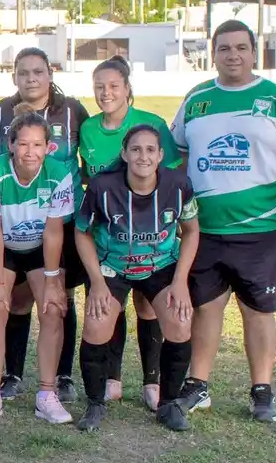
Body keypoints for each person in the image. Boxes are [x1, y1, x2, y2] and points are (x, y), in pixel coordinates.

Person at [170, 19, 276, 424]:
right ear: (213, 54)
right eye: (224, 48)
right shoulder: (196, 100)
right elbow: (177, 154)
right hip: (205, 230)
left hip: (261, 229)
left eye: (241, 47)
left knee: (258, 311)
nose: (233, 55)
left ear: (255, 52)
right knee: (206, 308)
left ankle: (262, 391)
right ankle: (198, 386)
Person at [75, 124, 199, 432]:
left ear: (160, 155)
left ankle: (168, 404)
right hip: (112, 267)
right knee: (96, 321)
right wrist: (97, 283)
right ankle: (94, 403)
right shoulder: (102, 188)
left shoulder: (179, 185)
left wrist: (181, 281)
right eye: (135, 149)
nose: (142, 156)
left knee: (180, 321)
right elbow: (82, 234)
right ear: (124, 153)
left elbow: (193, 231)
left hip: (160, 265)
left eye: (149, 150)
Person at [0, 49, 93, 405]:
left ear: (50, 74)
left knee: (60, 298)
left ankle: (62, 376)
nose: (31, 79)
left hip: (60, 220)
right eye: (23, 73)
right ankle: (13, 373)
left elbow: (88, 160)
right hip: (17, 219)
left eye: (38, 71)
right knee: (16, 299)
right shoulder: (2, 110)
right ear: (14, 77)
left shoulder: (72, 109)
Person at [78, 56, 183, 410]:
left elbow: (169, 178)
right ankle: (112, 378)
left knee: (148, 306)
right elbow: (87, 175)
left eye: (113, 86)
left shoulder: (150, 125)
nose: (106, 93)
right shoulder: (88, 129)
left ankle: (153, 381)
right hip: (109, 234)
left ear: (127, 89)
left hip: (152, 240)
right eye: (99, 87)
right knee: (111, 308)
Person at [0, 104, 76, 424]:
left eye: (37, 144)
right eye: (23, 143)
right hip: (2, 246)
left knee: (52, 308)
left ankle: (47, 394)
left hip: (40, 248)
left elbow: (53, 231)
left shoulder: (59, 174)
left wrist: (51, 280)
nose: (30, 151)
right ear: (11, 145)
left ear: (48, 147)